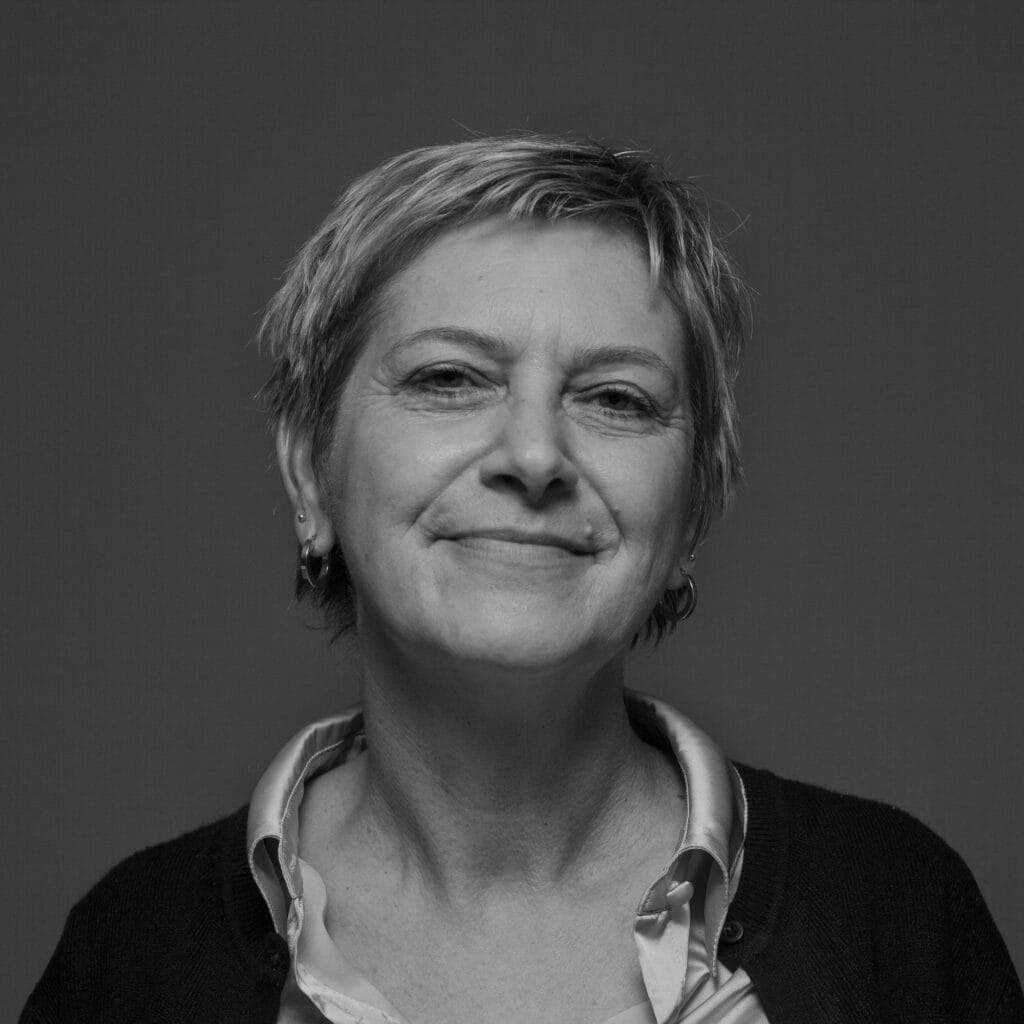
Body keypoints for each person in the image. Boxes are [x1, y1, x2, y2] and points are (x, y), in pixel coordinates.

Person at [20, 135, 1023, 1024]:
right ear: (310, 474)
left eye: (617, 398)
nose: (535, 455)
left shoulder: (898, 916)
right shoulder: (129, 956)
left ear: (693, 508)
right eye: (448, 380)